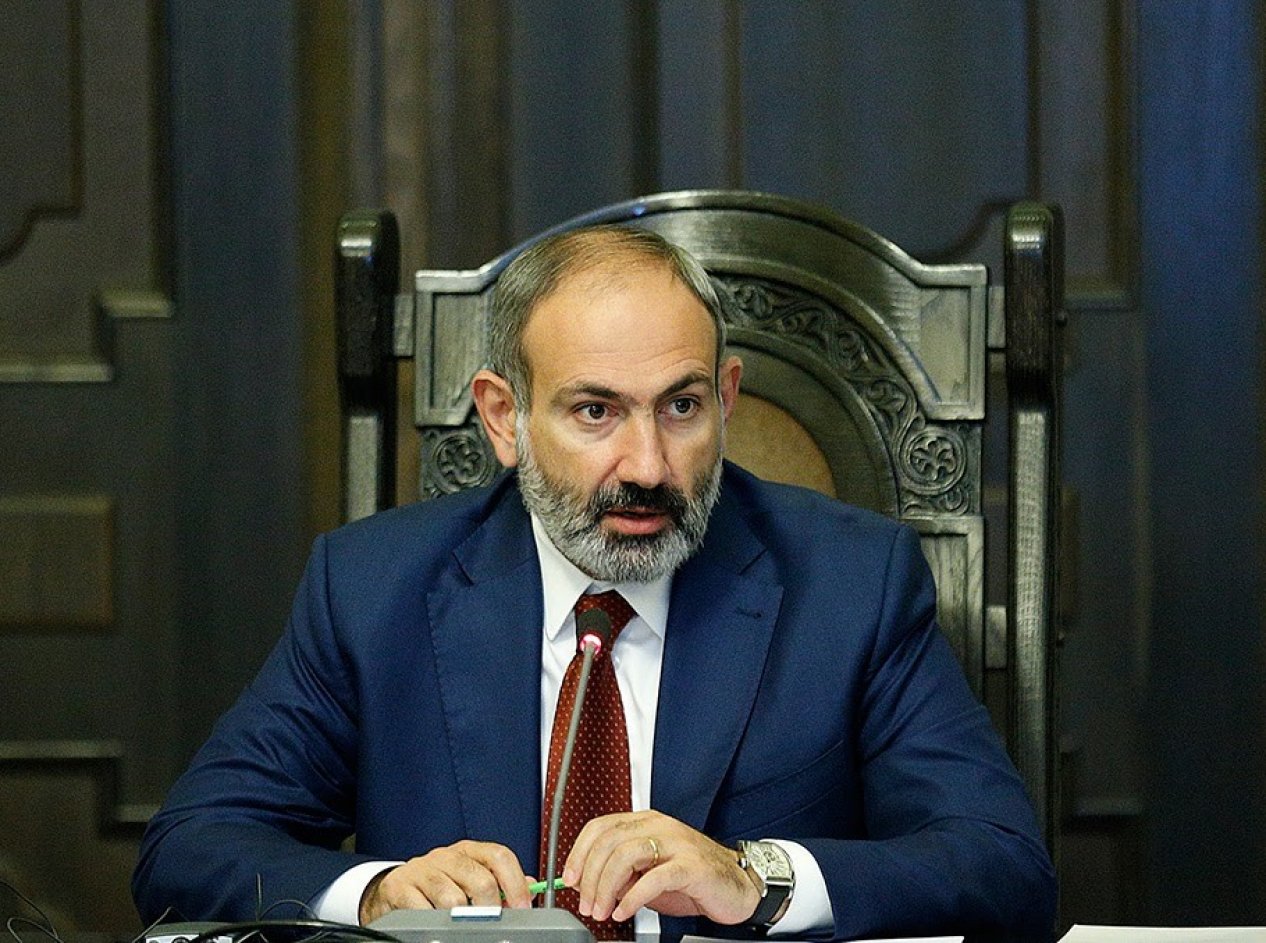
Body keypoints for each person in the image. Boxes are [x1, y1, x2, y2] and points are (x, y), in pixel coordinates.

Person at [132, 226, 1056, 941]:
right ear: (505, 418)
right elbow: (191, 845)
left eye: (682, 406)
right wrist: (376, 895)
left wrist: (759, 878)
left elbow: (1005, 864)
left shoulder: (851, 584)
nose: (647, 465)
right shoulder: (373, 589)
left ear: (727, 398)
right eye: (595, 411)